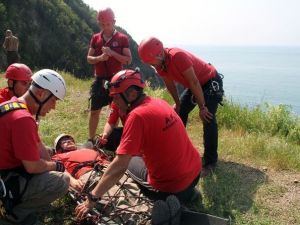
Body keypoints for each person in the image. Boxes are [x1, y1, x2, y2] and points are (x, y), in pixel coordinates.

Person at [75, 69, 202, 219]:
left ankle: (173, 201)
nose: (113, 102)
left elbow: (120, 165)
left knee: (127, 163)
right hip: (195, 172)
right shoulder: (159, 102)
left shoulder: (136, 116)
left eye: (115, 97)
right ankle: (189, 193)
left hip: (173, 184)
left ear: (132, 94)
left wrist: (93, 198)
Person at [138, 37, 224, 174]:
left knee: (208, 117)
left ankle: (210, 161)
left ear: (159, 54)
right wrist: (178, 103)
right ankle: (177, 150)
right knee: (179, 113)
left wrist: (202, 107)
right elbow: (169, 84)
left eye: (151, 62)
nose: (152, 66)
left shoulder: (177, 57)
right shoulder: (160, 64)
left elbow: (194, 82)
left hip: (209, 81)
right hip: (195, 84)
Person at [0, 69, 69, 225]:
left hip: (5, 169)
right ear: (41, 94)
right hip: (5, 179)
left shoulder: (13, 104)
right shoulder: (23, 119)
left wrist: (50, 162)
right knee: (61, 181)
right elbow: (32, 167)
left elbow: (38, 145)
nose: (54, 107)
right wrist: (56, 166)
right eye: (54, 100)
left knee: (49, 155)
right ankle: (10, 215)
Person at [86, 7, 132, 146]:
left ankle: (110, 139)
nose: (105, 27)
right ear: (99, 23)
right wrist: (100, 57)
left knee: (117, 111)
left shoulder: (122, 38)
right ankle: (91, 139)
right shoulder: (96, 38)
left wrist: (112, 53)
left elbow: (128, 60)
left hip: (116, 80)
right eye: (102, 24)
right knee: (94, 111)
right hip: (100, 79)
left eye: (108, 24)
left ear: (114, 22)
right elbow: (89, 58)